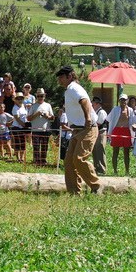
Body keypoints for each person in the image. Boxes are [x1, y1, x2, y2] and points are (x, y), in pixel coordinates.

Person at [56, 66, 102, 195]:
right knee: (69, 162)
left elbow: (85, 101)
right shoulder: (69, 90)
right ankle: (74, 192)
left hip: (88, 128)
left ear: (69, 76)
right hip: (77, 130)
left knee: (79, 158)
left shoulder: (74, 88)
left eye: (61, 77)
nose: (59, 80)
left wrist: (87, 117)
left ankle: (96, 185)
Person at [107, 94, 134, 175]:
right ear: (119, 101)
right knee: (115, 151)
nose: (123, 102)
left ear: (127, 100)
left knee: (126, 151)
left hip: (126, 131)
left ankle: (127, 171)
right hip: (117, 130)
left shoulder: (130, 110)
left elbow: (132, 120)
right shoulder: (115, 109)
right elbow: (109, 119)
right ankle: (115, 171)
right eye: (121, 100)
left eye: (124, 100)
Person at [27, 88, 54, 165]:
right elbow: (28, 118)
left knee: (44, 146)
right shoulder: (33, 106)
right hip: (35, 129)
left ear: (44, 97)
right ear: (36, 97)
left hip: (45, 129)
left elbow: (52, 117)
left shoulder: (48, 105)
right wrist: (36, 114)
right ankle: (36, 160)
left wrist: (47, 116)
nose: (40, 98)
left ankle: (43, 160)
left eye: (41, 96)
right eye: (38, 96)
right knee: (36, 146)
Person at [91, 96, 108, 175]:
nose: (92, 103)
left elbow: (99, 123)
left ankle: (102, 168)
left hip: (101, 133)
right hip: (95, 132)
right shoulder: (94, 112)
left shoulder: (101, 112)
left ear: (97, 103)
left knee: (100, 150)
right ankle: (96, 167)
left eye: (93, 102)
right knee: (95, 150)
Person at [11, 92, 28, 163]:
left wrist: (26, 124)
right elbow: (17, 118)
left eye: (21, 99)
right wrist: (24, 125)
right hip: (17, 127)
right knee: (17, 143)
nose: (20, 100)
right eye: (18, 99)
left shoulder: (23, 106)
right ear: (16, 100)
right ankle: (18, 158)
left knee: (23, 143)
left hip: (23, 127)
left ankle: (22, 158)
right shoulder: (15, 108)